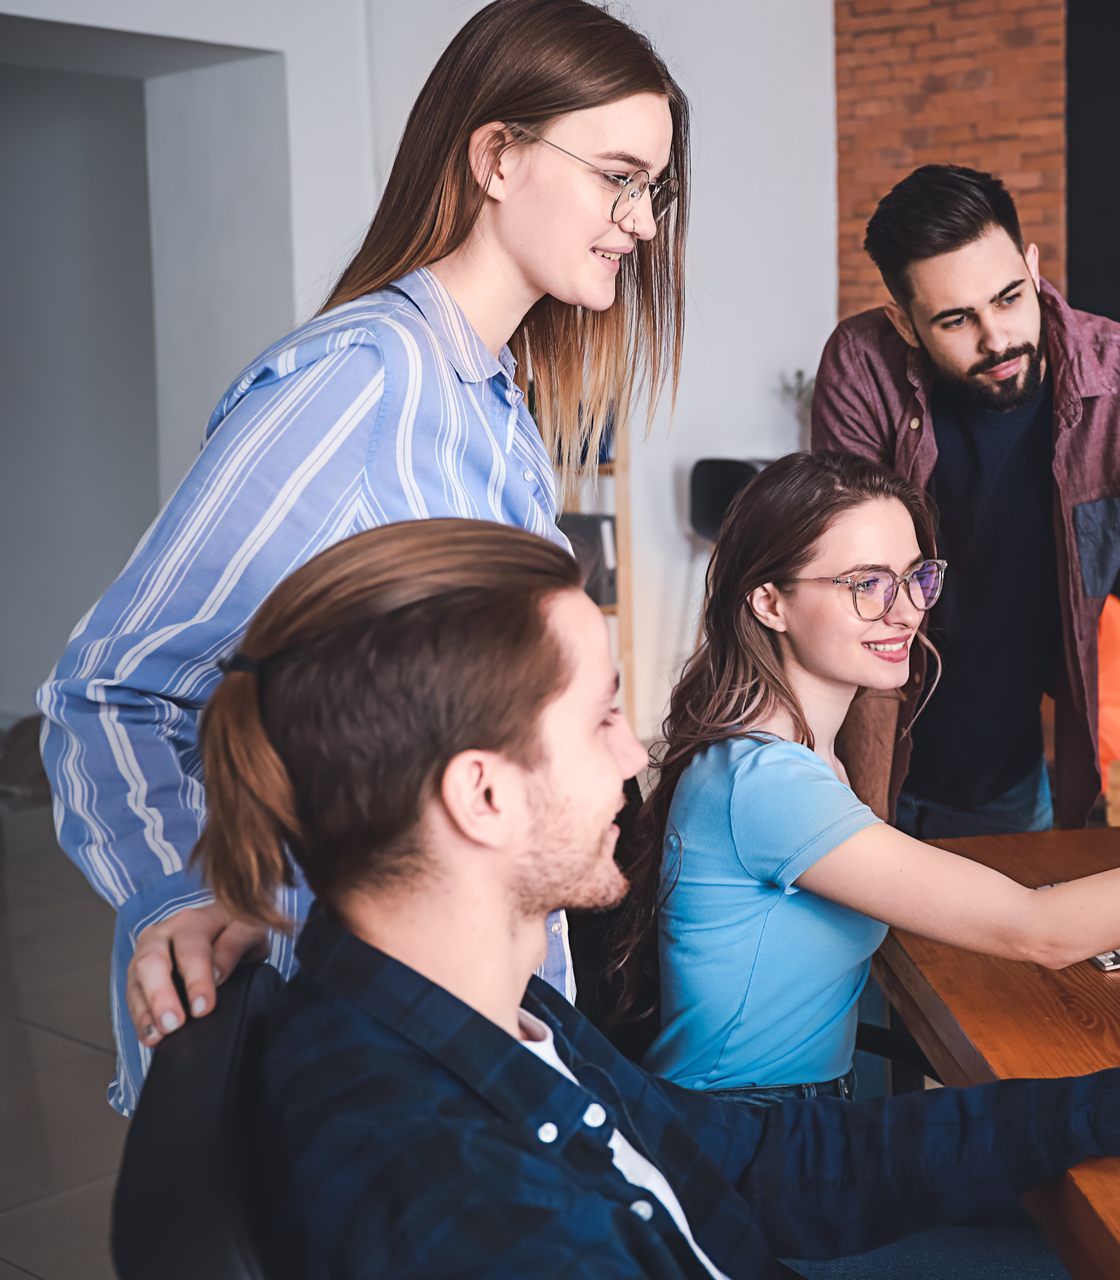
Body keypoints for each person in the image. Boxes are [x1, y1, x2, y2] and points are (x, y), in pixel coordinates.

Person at [193, 516, 1120, 1280]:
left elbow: (754, 1161)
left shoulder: (487, 1015)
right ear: (480, 796)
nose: (640, 754)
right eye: (601, 720)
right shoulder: (450, 1196)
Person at [34, 0, 689, 1112]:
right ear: (496, 154)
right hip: (338, 1045)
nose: (643, 221)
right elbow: (113, 687)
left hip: (453, 1028)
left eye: (655, 190)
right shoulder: (363, 383)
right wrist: (168, 896)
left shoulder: (496, 407)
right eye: (618, 176)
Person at [622, 452, 1120, 1103]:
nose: (905, 610)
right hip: (746, 1145)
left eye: (915, 577)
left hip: (784, 1113)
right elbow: (1038, 931)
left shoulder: (789, 749)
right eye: (865, 586)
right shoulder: (768, 781)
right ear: (769, 603)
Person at [810, 164, 1120, 838]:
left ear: (1033, 265)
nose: (996, 339)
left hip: (1010, 780)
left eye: (1010, 297)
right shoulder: (862, 367)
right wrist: (865, 834)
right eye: (956, 320)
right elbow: (863, 597)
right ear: (905, 324)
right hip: (861, 764)